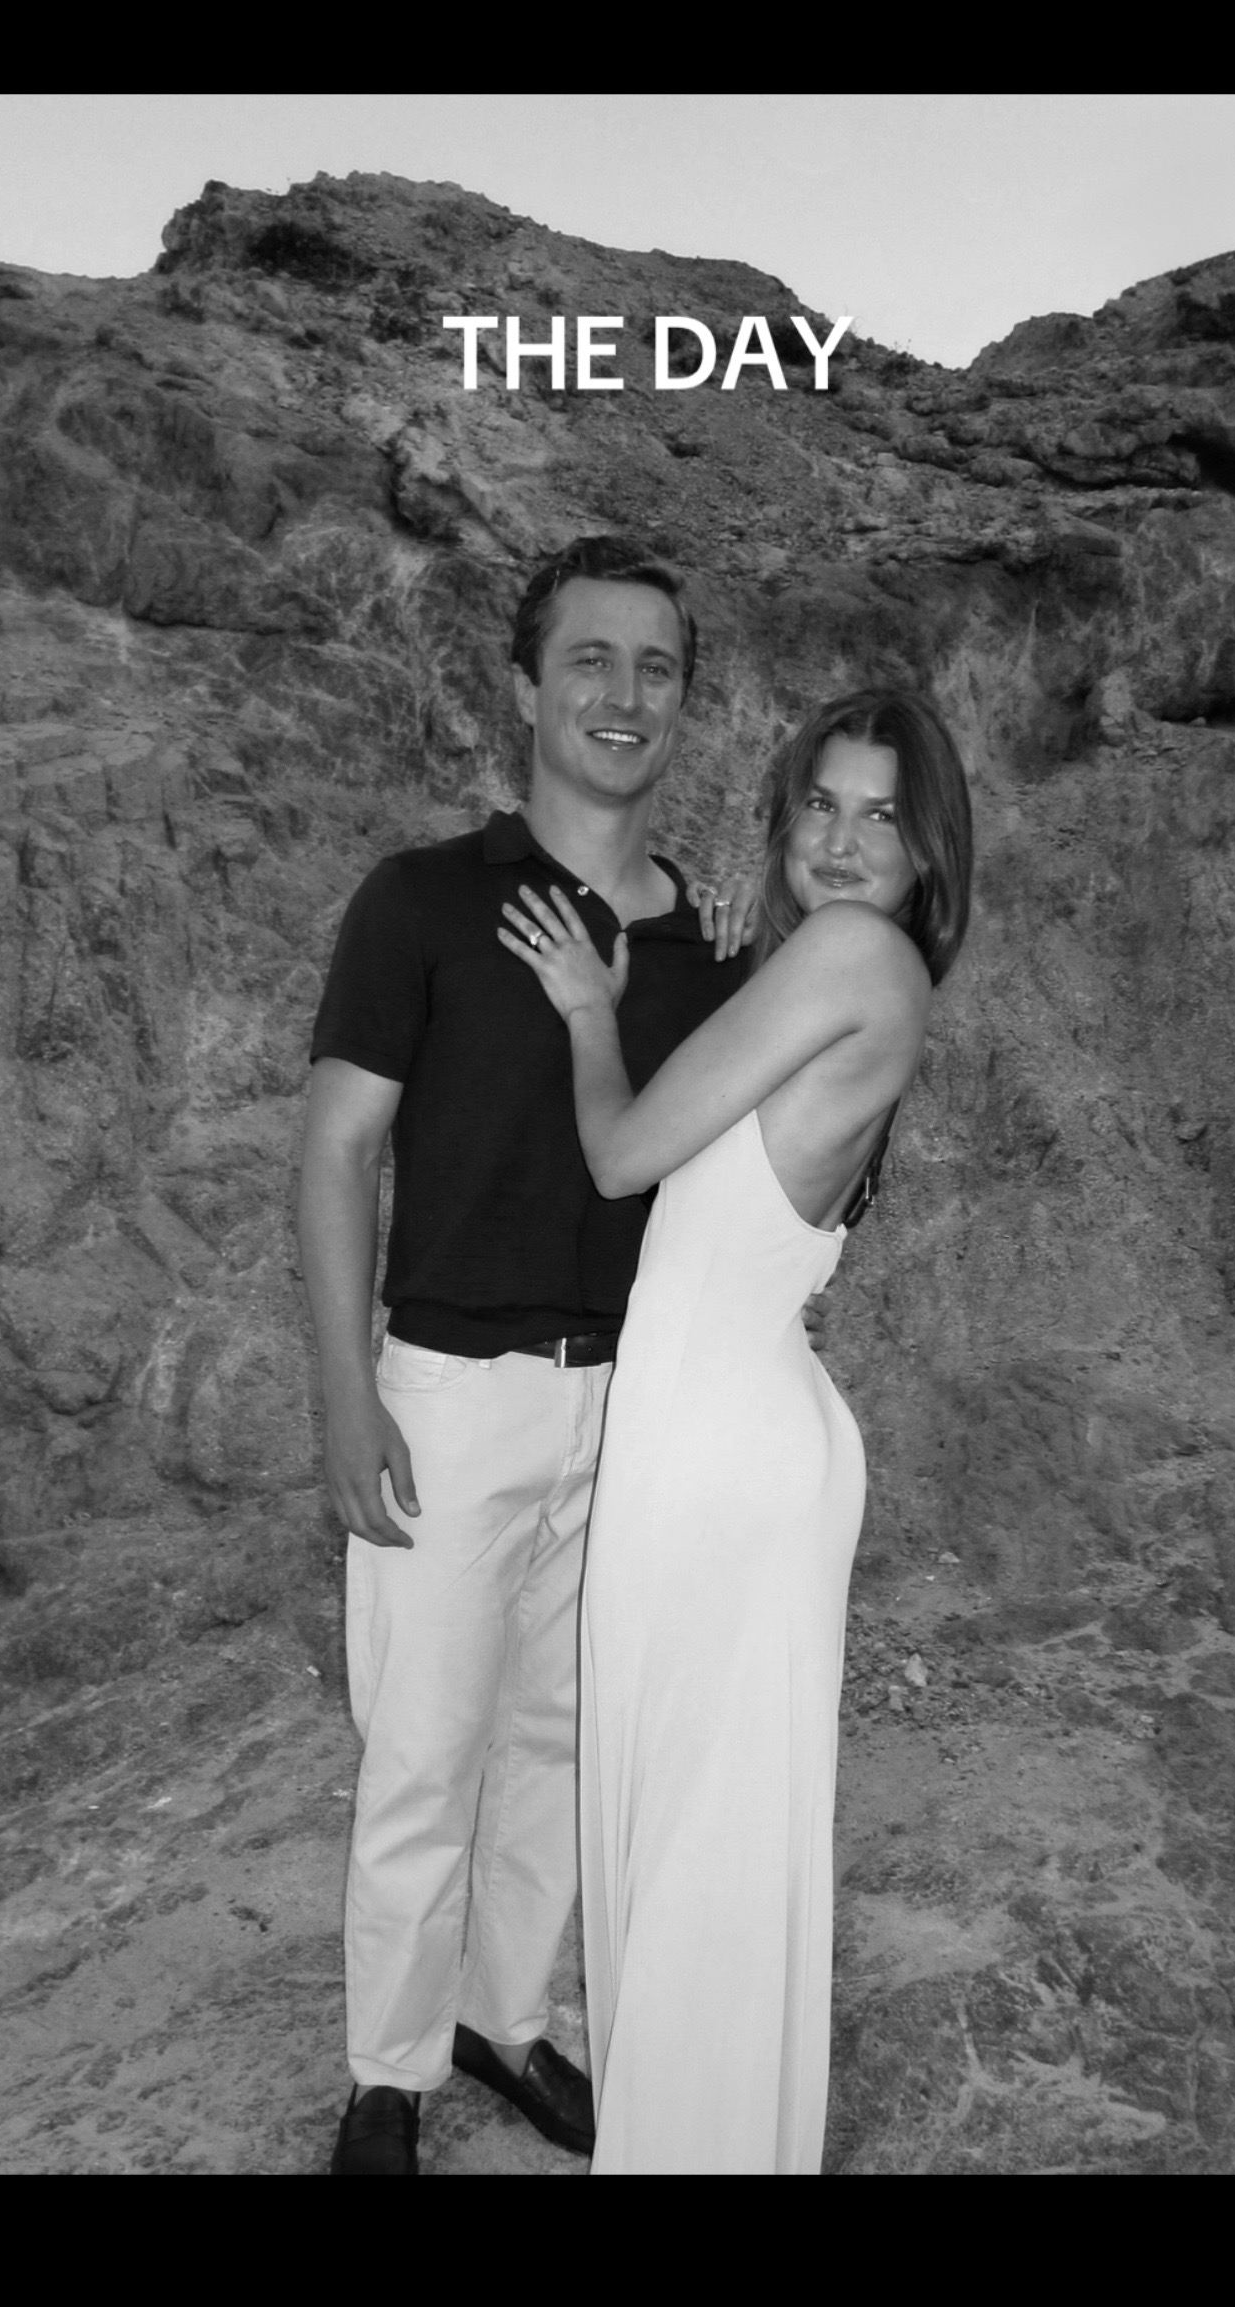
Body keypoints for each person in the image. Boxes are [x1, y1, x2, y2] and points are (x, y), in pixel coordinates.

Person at [298, 535, 764, 2175]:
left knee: (563, 1744)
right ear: (526, 686)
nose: (624, 695)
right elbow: (338, 1149)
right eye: (590, 659)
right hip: (449, 1394)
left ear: (684, 699)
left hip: (632, 1407)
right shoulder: (424, 898)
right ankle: (388, 2073)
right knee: (422, 1752)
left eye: (657, 666)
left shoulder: (710, 950)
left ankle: (506, 2019)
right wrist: (345, 1394)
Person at [498, 689, 973, 2174]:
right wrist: (700, 963)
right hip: (731, 1432)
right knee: (709, 1851)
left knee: (696, 1861)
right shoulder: (849, 970)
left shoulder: (850, 955)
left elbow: (623, 1149)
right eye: (820, 803)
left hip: (715, 1456)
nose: (842, 840)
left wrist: (589, 1006)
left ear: (928, 850)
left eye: (882, 815)